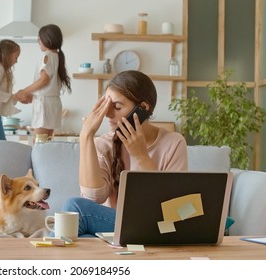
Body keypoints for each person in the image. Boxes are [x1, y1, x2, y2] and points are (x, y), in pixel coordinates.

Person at [63, 70, 188, 237]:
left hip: (159, 227)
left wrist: (141, 156)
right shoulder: (103, 144)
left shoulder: (174, 142)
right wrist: (86, 136)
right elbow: (93, 198)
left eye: (117, 106)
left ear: (142, 108)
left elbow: (172, 208)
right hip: (116, 230)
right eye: (106, 106)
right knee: (83, 237)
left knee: (75, 207)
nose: (107, 114)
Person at [16, 24, 72, 141]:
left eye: (39, 38)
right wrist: (33, 95)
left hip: (43, 104)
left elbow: (44, 80)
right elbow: (49, 83)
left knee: (40, 144)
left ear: (47, 39)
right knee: (47, 143)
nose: (38, 41)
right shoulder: (57, 56)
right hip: (54, 103)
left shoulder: (46, 56)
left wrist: (24, 91)